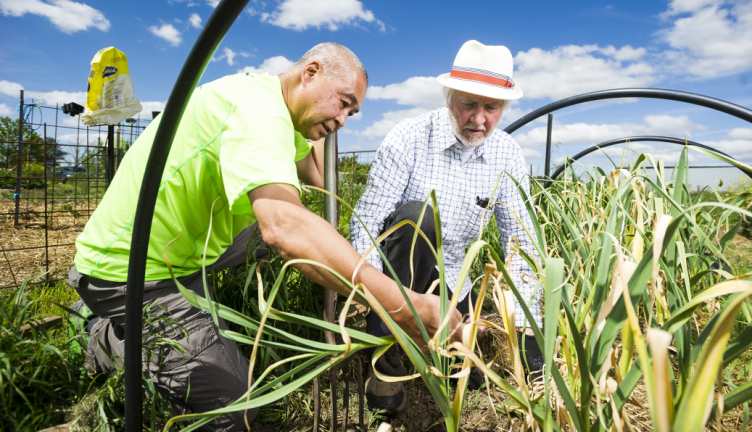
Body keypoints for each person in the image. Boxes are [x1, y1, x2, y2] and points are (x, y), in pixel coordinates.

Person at [69, 42, 461, 431]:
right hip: (130, 273)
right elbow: (285, 227)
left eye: (352, 112)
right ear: (310, 72)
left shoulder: (277, 107)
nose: (344, 119)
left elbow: (321, 180)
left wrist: (323, 122)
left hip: (188, 247)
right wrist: (399, 303)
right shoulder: (258, 111)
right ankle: (108, 339)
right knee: (234, 405)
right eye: (343, 103)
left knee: (308, 233)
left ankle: (154, 324)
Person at [351, 40, 543, 414]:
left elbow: (522, 241)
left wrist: (520, 328)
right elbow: (367, 224)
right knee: (415, 217)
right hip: (402, 280)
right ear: (449, 95)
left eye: (492, 107)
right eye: (469, 104)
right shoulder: (408, 138)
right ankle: (385, 359)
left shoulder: (507, 153)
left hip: (456, 285)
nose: (479, 119)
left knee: (469, 379)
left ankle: (455, 350)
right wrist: (373, 296)